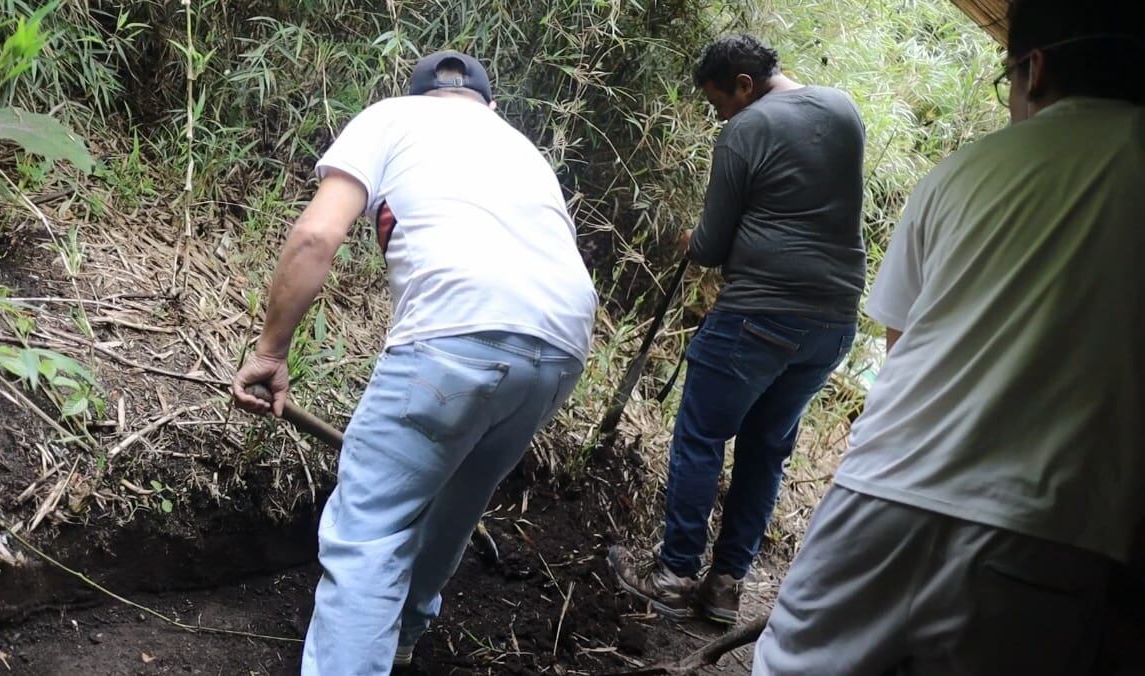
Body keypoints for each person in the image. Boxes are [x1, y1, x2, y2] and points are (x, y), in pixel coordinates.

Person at [753, 0, 1145, 673]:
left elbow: (899, 342)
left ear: (1036, 68)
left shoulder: (966, 169)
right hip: (1043, 534)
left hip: (879, 492)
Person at [231, 51, 597, 675]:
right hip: (561, 347)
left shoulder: (391, 118)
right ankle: (400, 638)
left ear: (419, 94)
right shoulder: (522, 148)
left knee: (369, 531)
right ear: (489, 105)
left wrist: (269, 351)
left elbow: (317, 236)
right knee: (457, 503)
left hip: (454, 336)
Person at [609, 34, 866, 624]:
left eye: (718, 101)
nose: (719, 114)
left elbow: (713, 244)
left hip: (758, 313)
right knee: (766, 449)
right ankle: (725, 585)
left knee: (701, 435)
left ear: (742, 85)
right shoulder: (843, 109)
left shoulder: (746, 129)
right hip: (832, 321)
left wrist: (689, 243)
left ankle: (674, 576)